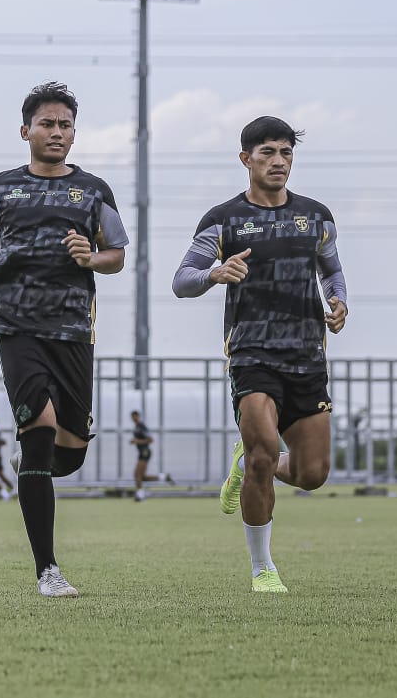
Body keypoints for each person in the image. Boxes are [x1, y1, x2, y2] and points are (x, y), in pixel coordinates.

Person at [0, 81, 128, 598]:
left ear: (74, 133)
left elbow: (117, 255)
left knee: (70, 450)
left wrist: (90, 258)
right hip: (16, 325)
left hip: (74, 329)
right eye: (47, 124)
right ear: (25, 131)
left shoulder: (94, 191)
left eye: (65, 125)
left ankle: (32, 467)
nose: (57, 132)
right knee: (39, 428)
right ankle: (47, 571)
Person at [172, 116, 348, 594]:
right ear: (245, 158)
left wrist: (338, 302)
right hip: (252, 354)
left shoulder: (316, 216)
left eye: (286, 152)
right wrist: (214, 274)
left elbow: (332, 272)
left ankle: (246, 462)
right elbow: (182, 280)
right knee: (263, 455)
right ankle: (262, 568)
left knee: (312, 474)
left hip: (307, 357)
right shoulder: (223, 219)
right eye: (268, 152)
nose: (278, 161)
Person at [129, 410, 171, 502]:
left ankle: (140, 496)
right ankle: (163, 477)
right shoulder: (136, 427)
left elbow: (150, 440)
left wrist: (137, 441)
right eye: (132, 416)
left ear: (138, 416)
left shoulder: (142, 426)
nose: (133, 418)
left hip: (145, 451)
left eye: (135, 416)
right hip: (141, 452)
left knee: (137, 474)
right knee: (143, 477)